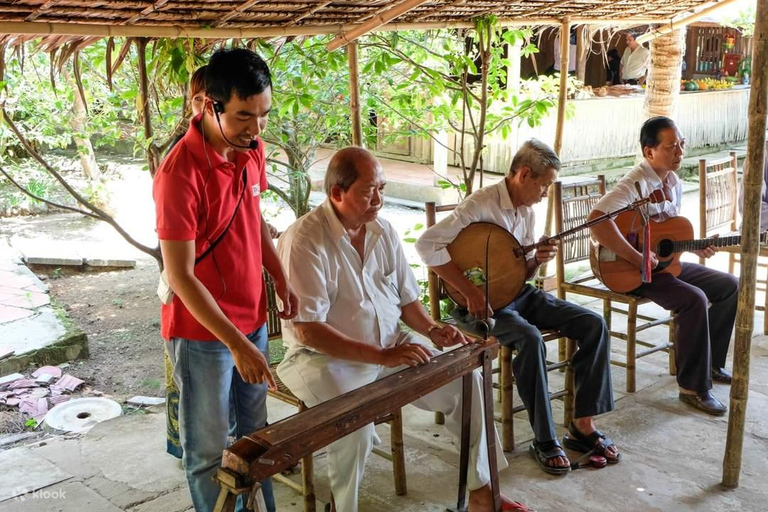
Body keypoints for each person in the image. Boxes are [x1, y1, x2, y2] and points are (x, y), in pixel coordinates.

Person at [276, 147, 528, 512]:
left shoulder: (383, 230)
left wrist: (432, 329)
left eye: (382, 187)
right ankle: (339, 507)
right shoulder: (306, 240)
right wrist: (382, 355)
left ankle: (482, 493)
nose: (378, 199)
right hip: (324, 360)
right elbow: (308, 331)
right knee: (356, 427)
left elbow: (408, 302)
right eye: (368, 192)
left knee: (466, 383)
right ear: (336, 193)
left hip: (391, 346)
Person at [416, 139, 619, 476]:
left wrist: (536, 261)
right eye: (545, 185)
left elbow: (519, 273)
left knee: (593, 323)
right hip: (480, 306)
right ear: (524, 174)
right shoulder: (479, 206)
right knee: (530, 338)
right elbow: (426, 245)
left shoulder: (527, 210)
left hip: (518, 294)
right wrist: (469, 291)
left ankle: (583, 425)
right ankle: (544, 438)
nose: (545, 193)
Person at [153, 48, 298, 512]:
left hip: (250, 320)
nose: (255, 130)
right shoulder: (180, 172)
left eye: (263, 115)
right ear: (207, 105)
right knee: (207, 451)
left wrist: (280, 277)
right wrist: (236, 343)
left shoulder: (250, 152)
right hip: (204, 335)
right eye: (242, 116)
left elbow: (253, 220)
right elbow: (180, 275)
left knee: (256, 440)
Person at [589, 116, 737, 416]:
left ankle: (710, 363)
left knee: (729, 286)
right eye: (672, 146)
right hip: (632, 271)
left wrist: (695, 247)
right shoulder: (633, 184)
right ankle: (693, 388)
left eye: (682, 144)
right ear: (649, 152)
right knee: (693, 299)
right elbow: (596, 220)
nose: (680, 152)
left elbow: (666, 236)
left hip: (662, 267)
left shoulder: (673, 181)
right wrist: (635, 257)